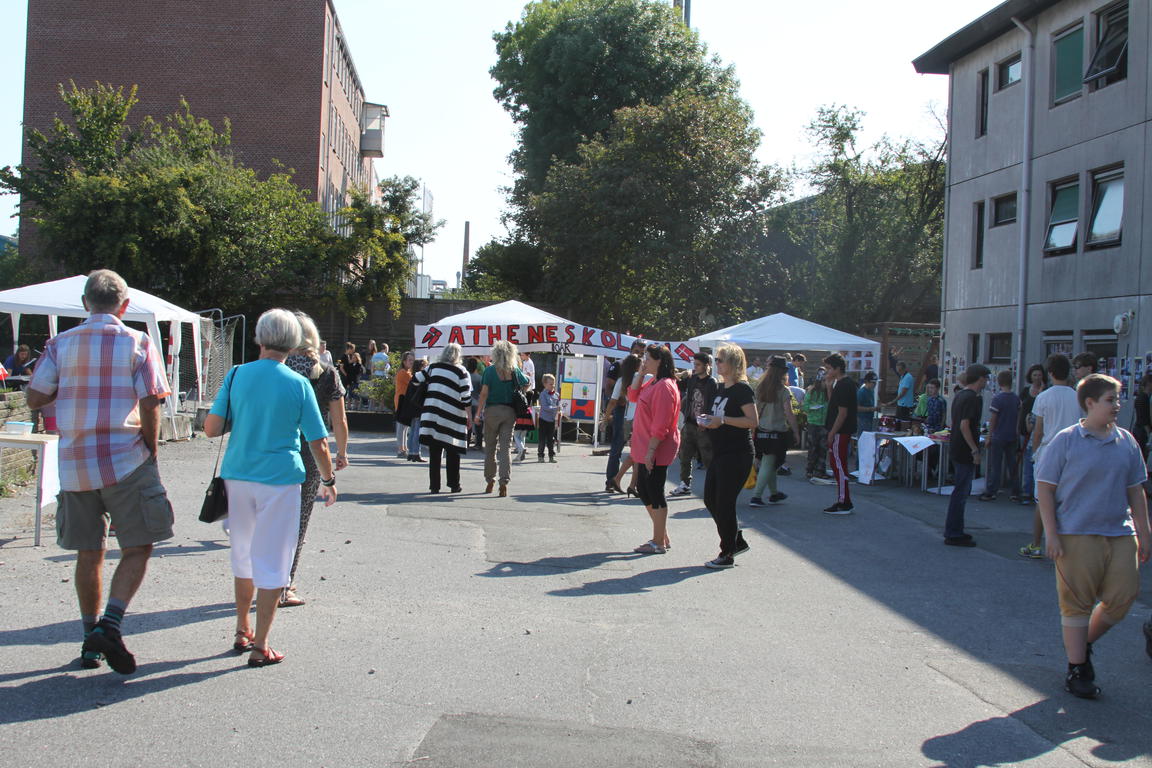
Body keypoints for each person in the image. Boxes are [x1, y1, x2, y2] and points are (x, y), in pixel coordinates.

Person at [26, 270, 173, 674]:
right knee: (139, 544)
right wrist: (151, 447)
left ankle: (90, 641)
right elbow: (151, 402)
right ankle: (110, 623)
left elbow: (35, 397)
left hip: (75, 463)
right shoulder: (138, 342)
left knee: (89, 551)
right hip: (125, 458)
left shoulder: (59, 344)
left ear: (84, 302)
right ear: (124, 305)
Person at [204, 309, 336, 668]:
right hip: (279, 479)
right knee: (274, 561)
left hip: (238, 475)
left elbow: (212, 428)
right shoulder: (298, 384)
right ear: (293, 342)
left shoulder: (236, 375)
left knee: (243, 554)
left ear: (259, 339)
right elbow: (318, 442)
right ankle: (262, 644)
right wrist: (327, 480)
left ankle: (241, 629)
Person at [1035, 374, 1150, 698]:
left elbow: (1135, 490)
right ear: (1090, 403)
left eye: (1118, 399)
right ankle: (1078, 667)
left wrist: (1145, 530)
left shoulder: (1126, 441)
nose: (1118, 405)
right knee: (1077, 604)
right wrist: (1051, 534)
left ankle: (1082, 643)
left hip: (1119, 533)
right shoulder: (1066, 440)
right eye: (1111, 400)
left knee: (1122, 598)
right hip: (1076, 533)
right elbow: (1045, 488)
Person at [280, 312, 349, 608]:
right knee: (299, 517)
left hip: (273, 447)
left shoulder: (276, 367)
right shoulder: (325, 372)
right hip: (308, 452)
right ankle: (284, 583)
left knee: (268, 516)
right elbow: (339, 419)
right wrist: (341, 453)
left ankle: (262, 579)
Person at [699, 343, 757, 569]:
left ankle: (727, 553)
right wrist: (709, 421)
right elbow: (719, 416)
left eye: (721, 359)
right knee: (711, 499)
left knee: (724, 502)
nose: (717, 363)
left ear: (733, 363)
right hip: (720, 452)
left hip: (737, 454)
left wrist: (722, 421)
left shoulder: (742, 389)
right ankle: (735, 541)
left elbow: (752, 422)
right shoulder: (721, 388)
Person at [1020, 355, 1081, 559]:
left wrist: (1036, 453)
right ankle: (1068, 545)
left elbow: (1038, 430)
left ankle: (1037, 544)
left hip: (1048, 451)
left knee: (1043, 500)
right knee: (1069, 499)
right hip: (1073, 452)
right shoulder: (1077, 396)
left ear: (1051, 373)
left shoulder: (1044, 397)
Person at [630, 345, 681, 554]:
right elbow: (633, 396)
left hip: (656, 447)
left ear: (659, 360)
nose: (644, 361)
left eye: (647, 358)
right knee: (644, 490)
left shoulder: (665, 386)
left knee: (655, 491)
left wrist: (651, 451)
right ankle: (661, 536)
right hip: (645, 446)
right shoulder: (654, 381)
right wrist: (640, 375)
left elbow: (661, 423)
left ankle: (658, 541)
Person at [474, 339, 529, 497]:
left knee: (490, 448)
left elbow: (484, 393)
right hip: (509, 412)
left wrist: (478, 413)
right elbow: (527, 383)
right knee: (505, 448)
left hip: (492, 411)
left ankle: (489, 480)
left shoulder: (490, 371)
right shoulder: (514, 370)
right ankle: (504, 482)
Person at [943, 365, 990, 546]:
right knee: (961, 491)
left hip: (956, 447)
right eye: (985, 378)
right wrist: (974, 450)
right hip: (964, 450)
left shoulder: (960, 395)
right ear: (980, 379)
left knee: (961, 490)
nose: (986, 382)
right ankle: (954, 532)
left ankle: (955, 529)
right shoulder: (972, 398)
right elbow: (964, 426)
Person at [418, 343, 472, 493]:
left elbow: (416, 379)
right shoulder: (461, 371)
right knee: (453, 450)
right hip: (452, 416)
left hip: (432, 414)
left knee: (435, 452)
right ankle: (454, 485)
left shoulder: (433, 367)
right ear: (457, 355)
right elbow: (466, 397)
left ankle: (434, 486)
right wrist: (470, 417)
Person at [749, 356, 800, 507]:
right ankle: (756, 497)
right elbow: (789, 413)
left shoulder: (760, 387)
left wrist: (752, 429)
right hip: (777, 432)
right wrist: (796, 431)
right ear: (782, 372)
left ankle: (774, 494)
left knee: (768, 463)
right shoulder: (783, 390)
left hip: (760, 430)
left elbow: (755, 410)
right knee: (769, 463)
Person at [669, 352, 717, 497]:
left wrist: (707, 421)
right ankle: (684, 484)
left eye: (698, 364)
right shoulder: (692, 379)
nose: (695, 367)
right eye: (694, 364)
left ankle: (714, 486)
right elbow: (676, 383)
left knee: (708, 458)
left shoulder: (711, 382)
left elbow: (712, 404)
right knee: (684, 455)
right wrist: (682, 374)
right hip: (690, 422)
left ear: (707, 365)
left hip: (704, 425)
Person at [823, 354, 858, 515]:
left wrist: (832, 432)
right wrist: (829, 387)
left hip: (840, 432)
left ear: (837, 368)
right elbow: (834, 405)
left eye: (829, 368)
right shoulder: (841, 384)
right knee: (837, 465)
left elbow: (842, 413)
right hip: (840, 431)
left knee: (839, 466)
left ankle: (844, 502)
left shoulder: (845, 385)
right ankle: (843, 500)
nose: (827, 371)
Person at [602, 353, 641, 493]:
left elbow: (612, 401)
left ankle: (612, 480)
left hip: (625, 419)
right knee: (639, 453)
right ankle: (633, 484)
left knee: (616, 451)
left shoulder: (622, 380)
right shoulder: (643, 378)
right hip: (641, 420)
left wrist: (605, 418)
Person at [981, 370, 1021, 502]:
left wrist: (989, 436)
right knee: (1012, 465)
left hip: (998, 435)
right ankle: (1016, 491)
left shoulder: (997, 399)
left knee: (996, 465)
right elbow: (1018, 417)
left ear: (999, 382)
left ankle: (991, 491)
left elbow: (993, 419)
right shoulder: (1016, 399)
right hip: (1012, 435)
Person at [1018, 363, 1048, 505]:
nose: (1037, 378)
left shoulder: (1046, 392)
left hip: (1039, 429)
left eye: (1039, 375)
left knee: (1036, 460)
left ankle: (1036, 491)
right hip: (1025, 429)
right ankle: (1026, 490)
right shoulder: (1025, 391)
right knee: (1027, 461)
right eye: (1034, 375)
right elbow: (1021, 408)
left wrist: (1041, 391)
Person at [803, 369, 833, 485]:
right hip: (813, 423)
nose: (826, 383)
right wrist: (815, 407)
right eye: (825, 381)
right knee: (813, 447)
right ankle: (810, 469)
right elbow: (805, 407)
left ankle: (820, 470)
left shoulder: (829, 392)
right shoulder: (812, 391)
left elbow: (832, 405)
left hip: (824, 423)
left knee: (823, 448)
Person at [514, 352, 537, 460]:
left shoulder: (520, 394)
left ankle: (521, 448)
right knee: (522, 435)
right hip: (527, 416)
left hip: (520, 416)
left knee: (516, 435)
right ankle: (520, 451)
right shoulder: (530, 394)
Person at [405, 359, 428, 462]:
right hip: (419, 406)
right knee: (417, 431)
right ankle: (415, 453)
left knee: (413, 429)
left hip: (411, 406)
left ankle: (410, 453)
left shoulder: (413, 377)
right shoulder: (422, 379)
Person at [393, 351, 415, 457]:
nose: (411, 362)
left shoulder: (407, 372)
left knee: (404, 427)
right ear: (404, 361)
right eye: (409, 360)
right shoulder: (403, 373)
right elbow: (413, 382)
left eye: (412, 360)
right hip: (401, 400)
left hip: (404, 401)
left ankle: (403, 448)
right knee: (401, 427)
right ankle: (401, 449)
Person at [537, 373, 560, 462]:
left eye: (553, 383)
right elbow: (545, 407)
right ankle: (540, 456)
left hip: (551, 420)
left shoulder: (556, 395)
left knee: (551, 440)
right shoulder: (543, 394)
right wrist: (556, 408)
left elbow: (558, 405)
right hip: (543, 420)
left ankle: (551, 456)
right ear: (545, 384)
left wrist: (561, 409)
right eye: (550, 384)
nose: (553, 385)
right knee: (542, 440)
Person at [1130, 373, 1152, 458]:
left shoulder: (1143, 396)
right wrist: (1148, 432)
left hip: (1139, 429)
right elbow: (1143, 417)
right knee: (1142, 454)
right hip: (1142, 430)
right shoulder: (1144, 398)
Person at [465, 357, 484, 451]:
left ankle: (466, 442)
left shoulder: (466, 376)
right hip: (477, 403)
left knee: (468, 423)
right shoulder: (479, 377)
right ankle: (478, 444)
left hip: (467, 403)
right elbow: (482, 392)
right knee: (478, 425)